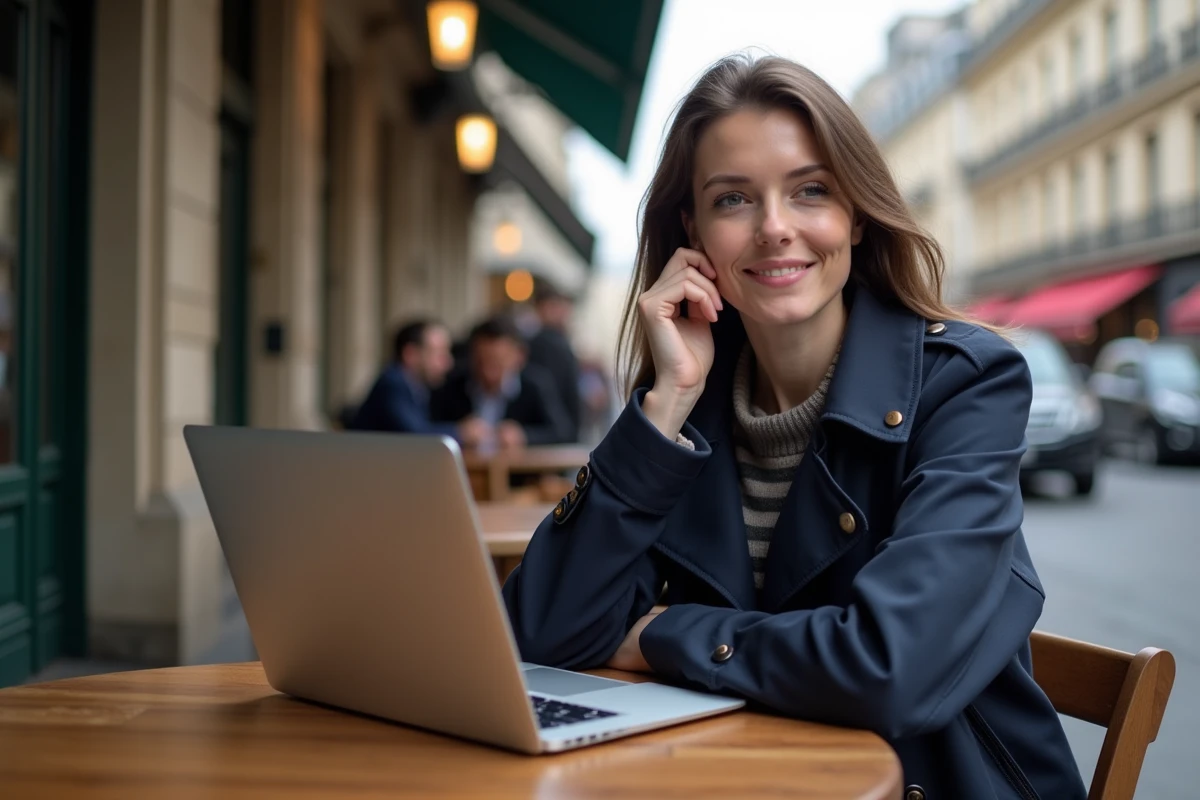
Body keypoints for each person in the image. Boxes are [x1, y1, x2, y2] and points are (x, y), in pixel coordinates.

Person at [501, 55, 1086, 799]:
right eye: (734, 199)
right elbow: (542, 634)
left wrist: (657, 635)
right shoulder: (687, 405)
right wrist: (663, 408)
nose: (775, 228)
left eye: (810, 191)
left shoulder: (965, 382)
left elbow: (888, 669)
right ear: (695, 233)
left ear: (856, 213)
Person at [431, 316, 573, 448]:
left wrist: (524, 436)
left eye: (497, 363)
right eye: (480, 362)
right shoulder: (453, 386)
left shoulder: (535, 385)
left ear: (519, 356)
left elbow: (563, 432)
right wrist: (458, 432)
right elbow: (428, 429)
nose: (487, 372)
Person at [347, 319, 489, 445]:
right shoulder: (393, 383)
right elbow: (416, 437)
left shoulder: (416, 386)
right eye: (439, 354)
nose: (448, 363)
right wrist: (461, 433)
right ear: (411, 354)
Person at [526, 282, 583, 441]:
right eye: (553, 306)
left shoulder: (556, 341)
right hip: (554, 427)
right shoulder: (548, 343)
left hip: (555, 427)